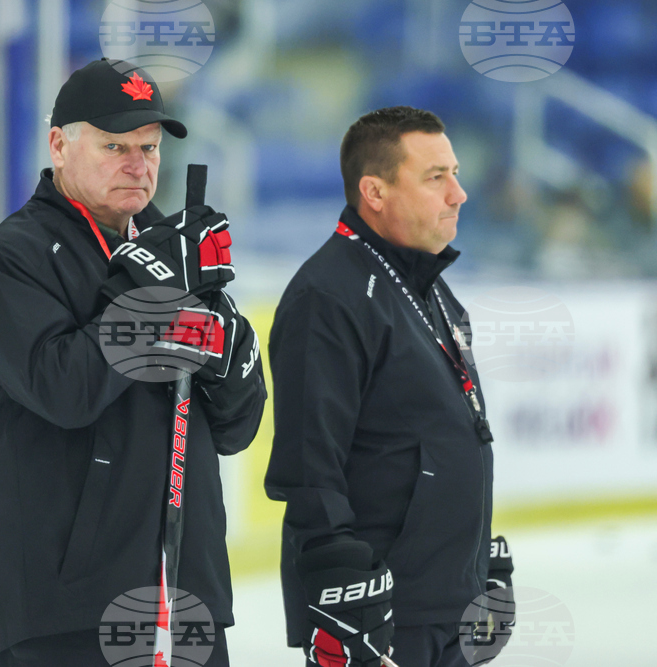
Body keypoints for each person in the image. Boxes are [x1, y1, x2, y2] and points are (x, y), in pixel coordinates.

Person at [0, 59, 266, 666]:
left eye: (149, 147)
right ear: (59, 145)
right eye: (114, 145)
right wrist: (152, 300)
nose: (138, 163)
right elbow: (64, 389)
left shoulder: (179, 252)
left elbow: (238, 426)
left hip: (187, 598)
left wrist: (229, 351)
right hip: (68, 611)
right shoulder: (9, 259)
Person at [265, 107, 514, 667]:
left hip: (441, 605)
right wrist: (343, 593)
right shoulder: (328, 297)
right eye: (436, 177)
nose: (460, 193)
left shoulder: (428, 288)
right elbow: (310, 468)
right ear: (374, 192)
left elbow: (435, 441)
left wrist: (480, 565)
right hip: (380, 618)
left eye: (455, 173)